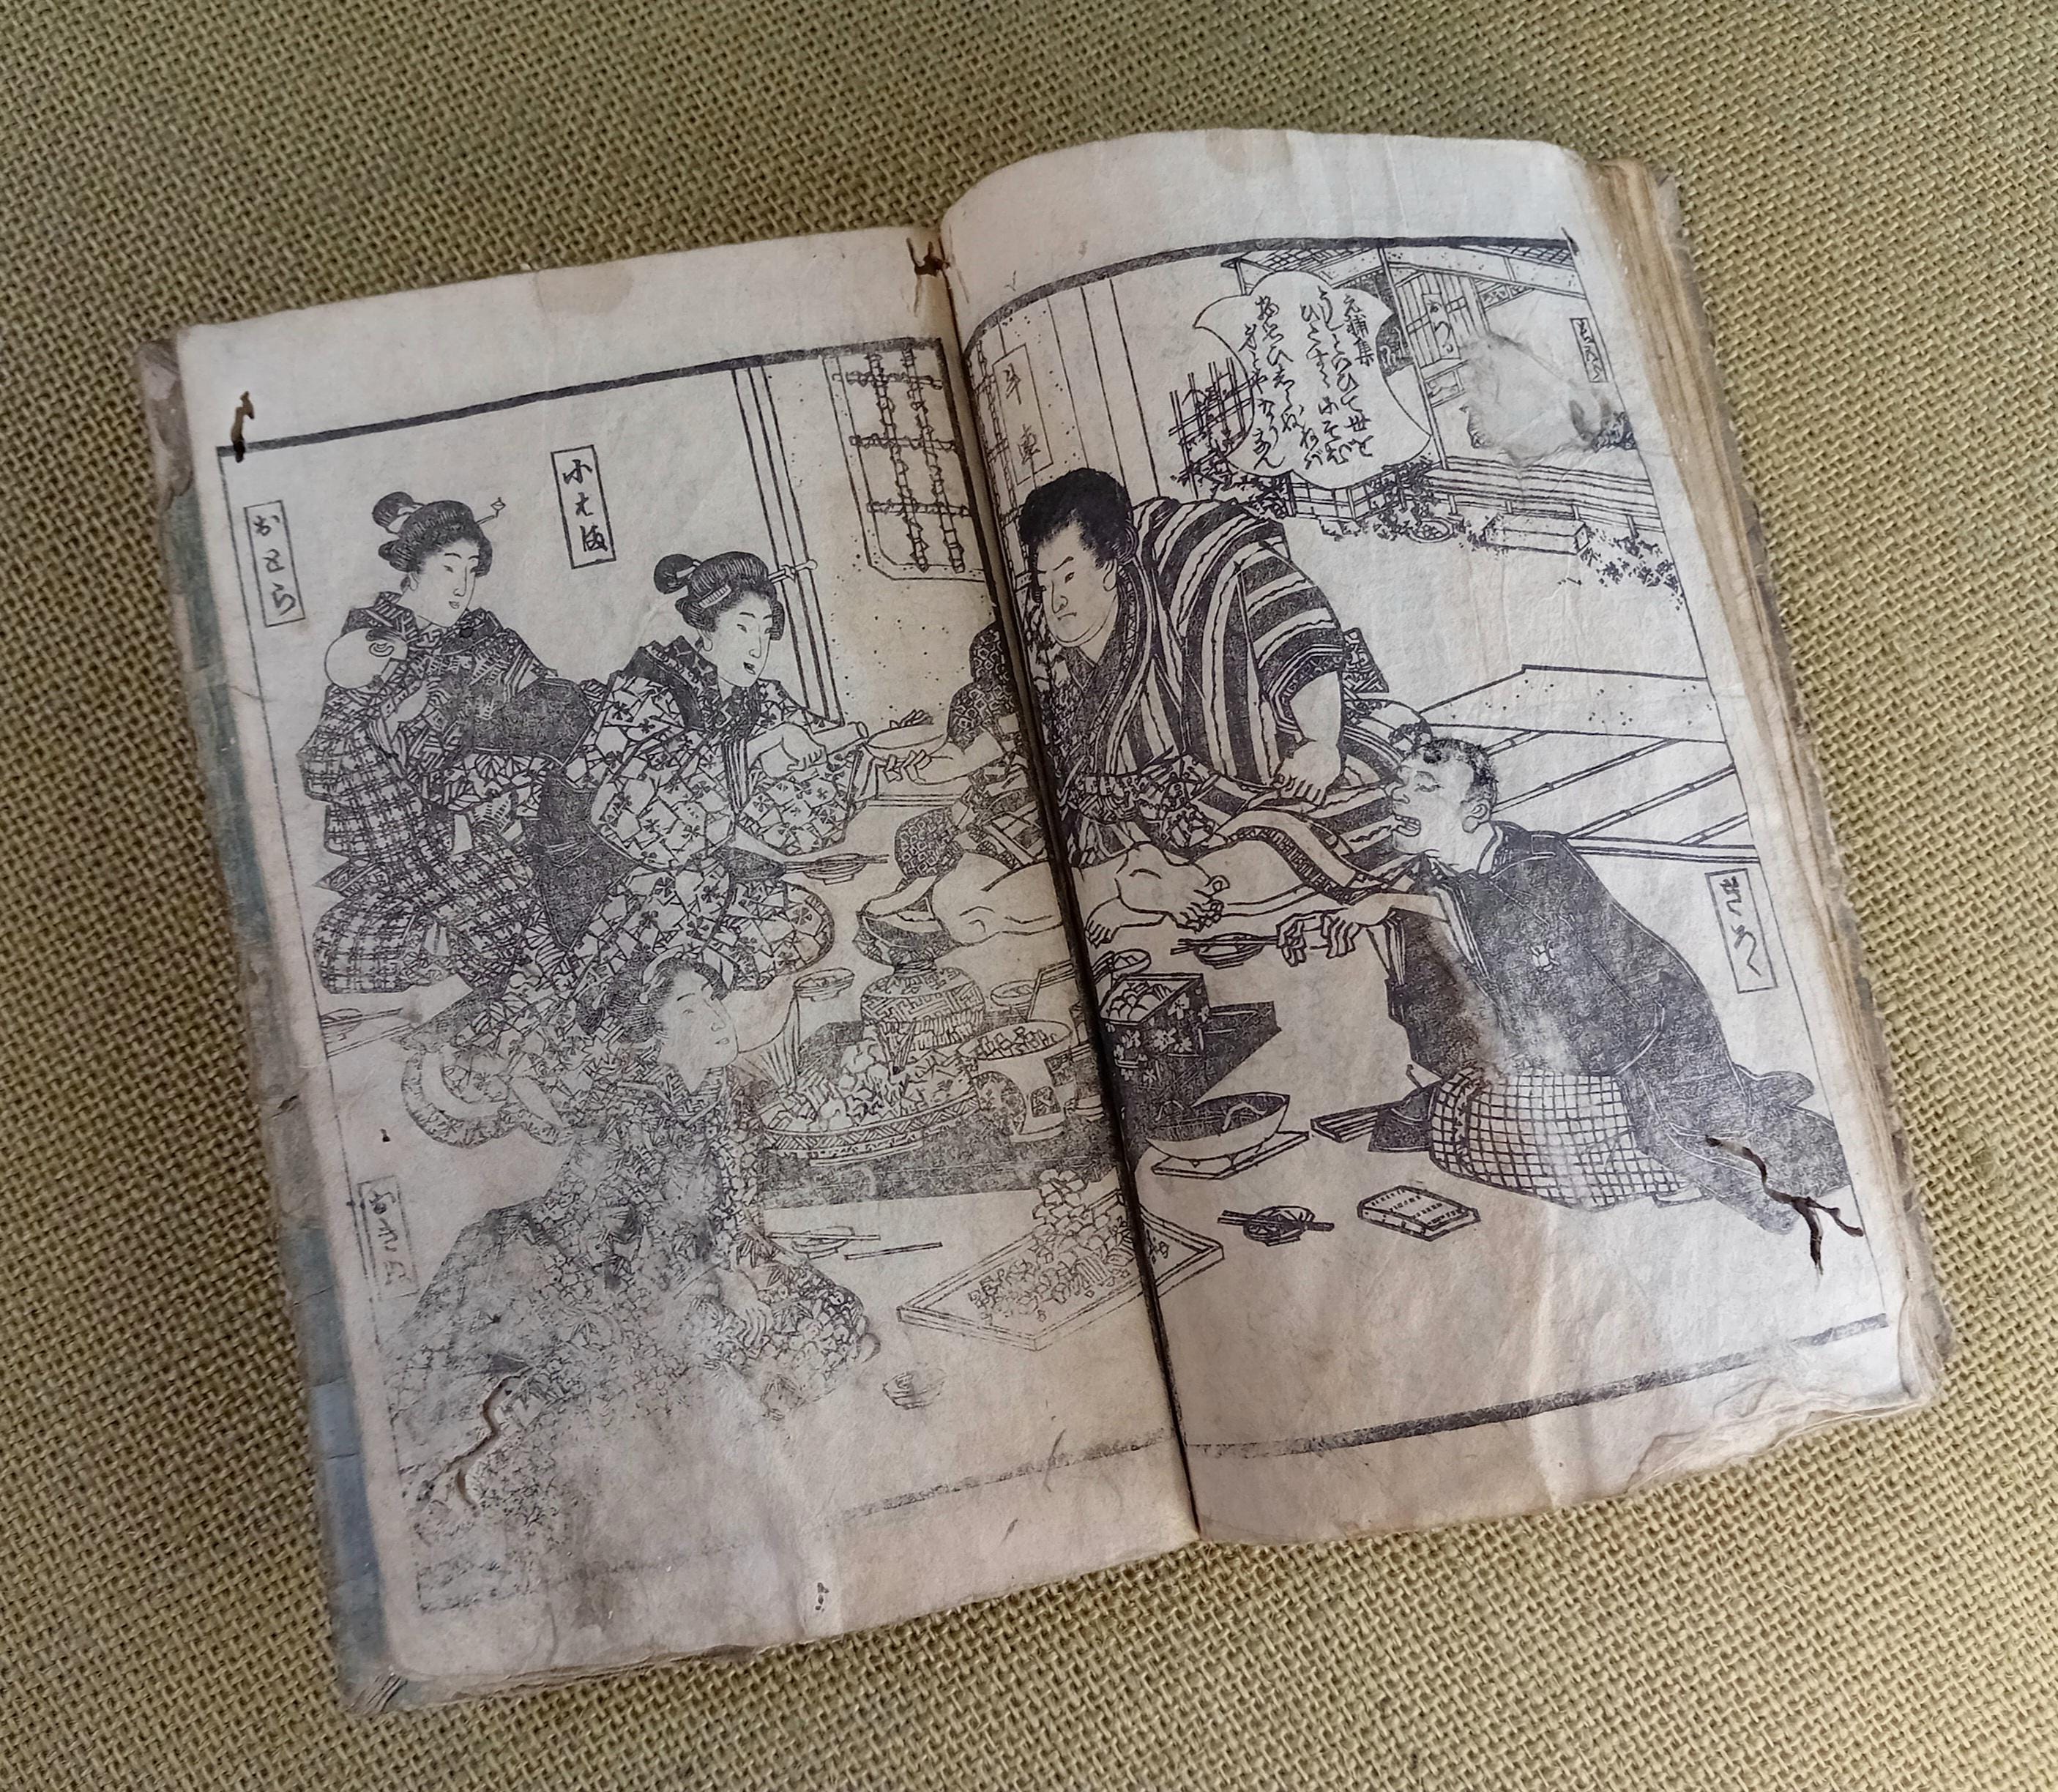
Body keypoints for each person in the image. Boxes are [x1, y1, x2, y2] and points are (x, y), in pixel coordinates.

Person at [392, 955, 875, 1607]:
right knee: (667, 1369)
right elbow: (610, 1235)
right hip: (590, 1268)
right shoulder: (631, 1110)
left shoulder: (723, 1095)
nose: (713, 1016)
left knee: (833, 1315)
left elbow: (734, 1206)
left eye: (711, 998)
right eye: (688, 1007)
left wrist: (741, 1269)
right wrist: (714, 1286)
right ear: (655, 1036)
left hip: (699, 1268)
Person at [1279, 732, 1852, 1234]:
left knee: (1672, 1135)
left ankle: (1772, 1204)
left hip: (1650, 1019)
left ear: (1473, 811)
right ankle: (1746, 1095)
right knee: (1694, 1110)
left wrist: (1389, 903)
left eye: (1425, 787)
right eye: (1402, 782)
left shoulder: (1539, 859)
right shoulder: (1440, 877)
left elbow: (1511, 926)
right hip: (1592, 1037)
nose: (1399, 794)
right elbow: (1440, 915)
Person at [1015, 469, 1412, 941]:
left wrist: (1321, 741)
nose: (1056, 601)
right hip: (1142, 823)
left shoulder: (1187, 556)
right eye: (1044, 585)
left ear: (1113, 559)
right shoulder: (1046, 637)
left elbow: (1288, 621)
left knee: (1267, 852)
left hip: (1269, 782)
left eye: (1068, 576)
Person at [554, 550, 876, 1004]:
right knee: (694, 893)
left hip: (699, 868)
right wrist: (759, 749)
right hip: (602, 872)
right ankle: (620, 1003)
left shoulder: (756, 697)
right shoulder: (647, 687)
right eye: (743, 628)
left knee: (799, 922)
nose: (757, 648)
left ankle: (688, 994)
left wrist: (871, 747)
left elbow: (810, 742)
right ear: (705, 629)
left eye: (765, 631)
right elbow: (638, 815)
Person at [298, 490, 589, 993]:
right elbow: (320, 767)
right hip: (413, 842)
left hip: (509, 815)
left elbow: (554, 707)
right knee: (501, 926)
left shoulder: (488, 639)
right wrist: (388, 721)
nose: (462, 587)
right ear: (413, 568)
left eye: (472, 570)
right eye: (449, 567)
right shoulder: (371, 645)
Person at [865, 622, 1064, 947]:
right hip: (984, 801)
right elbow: (956, 756)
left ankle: (928, 894)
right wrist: (917, 767)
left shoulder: (999, 707)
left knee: (948, 848)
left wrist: (921, 766)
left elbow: (962, 759)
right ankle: (925, 890)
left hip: (1021, 811)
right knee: (914, 835)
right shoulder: (980, 702)